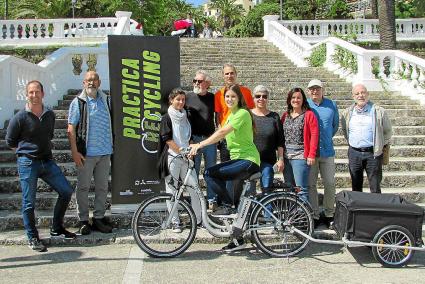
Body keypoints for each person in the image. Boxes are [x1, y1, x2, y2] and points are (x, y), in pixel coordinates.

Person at [6, 80, 76, 252]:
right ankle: (32, 237)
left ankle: (56, 228)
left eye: (37, 92)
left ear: (43, 94)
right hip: (28, 163)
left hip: (47, 161)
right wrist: (25, 153)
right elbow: (10, 142)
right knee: (28, 202)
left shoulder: (49, 115)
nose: (34, 95)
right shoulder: (20, 117)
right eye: (31, 92)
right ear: (26, 94)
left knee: (66, 191)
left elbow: (49, 135)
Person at [190, 84, 260, 252]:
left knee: (209, 173)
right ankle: (238, 240)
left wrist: (200, 144)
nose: (229, 99)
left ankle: (227, 205)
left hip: (248, 160)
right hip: (239, 160)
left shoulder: (242, 113)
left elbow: (221, 133)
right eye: (227, 97)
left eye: (233, 97)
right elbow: (220, 134)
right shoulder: (231, 114)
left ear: (239, 99)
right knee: (237, 204)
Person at [67, 71, 113, 235]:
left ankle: (99, 218)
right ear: (83, 83)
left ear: (99, 82)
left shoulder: (107, 100)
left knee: (102, 187)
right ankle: (83, 220)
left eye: (94, 80)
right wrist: (74, 151)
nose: (91, 83)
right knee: (83, 187)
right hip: (86, 154)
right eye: (88, 80)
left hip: (105, 152)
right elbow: (71, 129)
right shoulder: (78, 102)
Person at [157, 88, 201, 232]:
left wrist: (189, 150)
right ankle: (175, 222)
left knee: (194, 188)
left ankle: (198, 220)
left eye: (183, 100)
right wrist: (181, 151)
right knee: (172, 191)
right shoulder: (166, 117)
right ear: (171, 100)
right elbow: (167, 139)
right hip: (173, 158)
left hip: (186, 158)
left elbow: (189, 137)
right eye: (178, 99)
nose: (181, 102)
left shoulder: (186, 116)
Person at [341, 83, 392, 193]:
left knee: (375, 186)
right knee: (356, 187)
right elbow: (345, 130)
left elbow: (387, 131)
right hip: (354, 153)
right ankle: (359, 210)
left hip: (372, 153)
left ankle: (375, 208)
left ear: (368, 94)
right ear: (353, 96)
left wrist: (380, 145)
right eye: (357, 93)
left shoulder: (378, 111)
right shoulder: (347, 113)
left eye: (363, 92)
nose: (360, 95)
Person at [306, 79, 339, 228]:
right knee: (311, 185)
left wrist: (324, 138)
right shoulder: (305, 105)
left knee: (330, 183)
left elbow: (335, 126)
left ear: (322, 90)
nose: (315, 91)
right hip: (311, 153)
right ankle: (314, 214)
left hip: (327, 151)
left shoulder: (331, 105)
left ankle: (329, 213)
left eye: (317, 89)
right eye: (312, 89)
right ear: (308, 91)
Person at [185, 70, 218, 208]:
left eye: (200, 81)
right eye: (195, 81)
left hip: (210, 139)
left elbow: (219, 115)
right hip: (194, 141)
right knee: (194, 170)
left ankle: (211, 200)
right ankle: (197, 200)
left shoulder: (213, 97)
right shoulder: (187, 97)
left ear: (207, 83)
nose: (196, 83)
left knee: (211, 171)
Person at [281, 87, 319, 203]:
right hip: (287, 157)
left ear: (303, 100)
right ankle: (292, 217)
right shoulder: (285, 115)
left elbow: (314, 134)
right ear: (289, 99)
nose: (296, 100)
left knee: (301, 189)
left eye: (298, 97)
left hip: (301, 156)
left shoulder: (309, 115)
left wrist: (311, 154)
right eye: (293, 97)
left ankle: (303, 219)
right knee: (289, 189)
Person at [215, 63, 254, 162]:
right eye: (227, 73)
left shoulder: (246, 92)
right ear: (223, 76)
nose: (229, 76)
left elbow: (252, 112)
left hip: (241, 137)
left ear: (236, 74)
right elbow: (218, 115)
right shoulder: (218, 94)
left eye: (232, 73)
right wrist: (221, 134)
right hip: (226, 137)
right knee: (225, 169)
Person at [251, 85, 284, 190]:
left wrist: (281, 159)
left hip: (268, 161)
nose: (261, 99)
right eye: (258, 96)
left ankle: (267, 207)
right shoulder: (248, 115)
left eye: (264, 96)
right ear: (253, 98)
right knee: (249, 192)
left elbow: (280, 140)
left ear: (268, 98)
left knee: (267, 190)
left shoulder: (274, 117)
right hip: (250, 160)